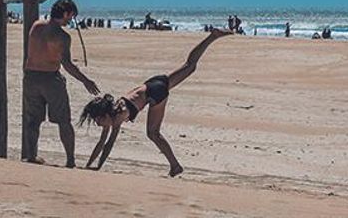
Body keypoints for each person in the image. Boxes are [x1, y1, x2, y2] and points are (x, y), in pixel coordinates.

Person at [79, 29, 233, 176]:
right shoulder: (114, 111)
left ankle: (175, 166)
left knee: (153, 133)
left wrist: (98, 166)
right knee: (189, 66)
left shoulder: (118, 116)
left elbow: (108, 144)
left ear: (105, 114)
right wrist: (88, 165)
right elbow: (101, 142)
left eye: (97, 120)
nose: (98, 124)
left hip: (155, 93)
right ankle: (212, 37)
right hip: (152, 83)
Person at [22, 0, 100, 167]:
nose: (70, 20)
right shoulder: (62, 37)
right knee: (64, 121)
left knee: (33, 120)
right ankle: (70, 161)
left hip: (30, 77)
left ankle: (31, 155)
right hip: (50, 79)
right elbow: (67, 64)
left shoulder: (36, 26)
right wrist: (85, 80)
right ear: (65, 13)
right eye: (71, 16)